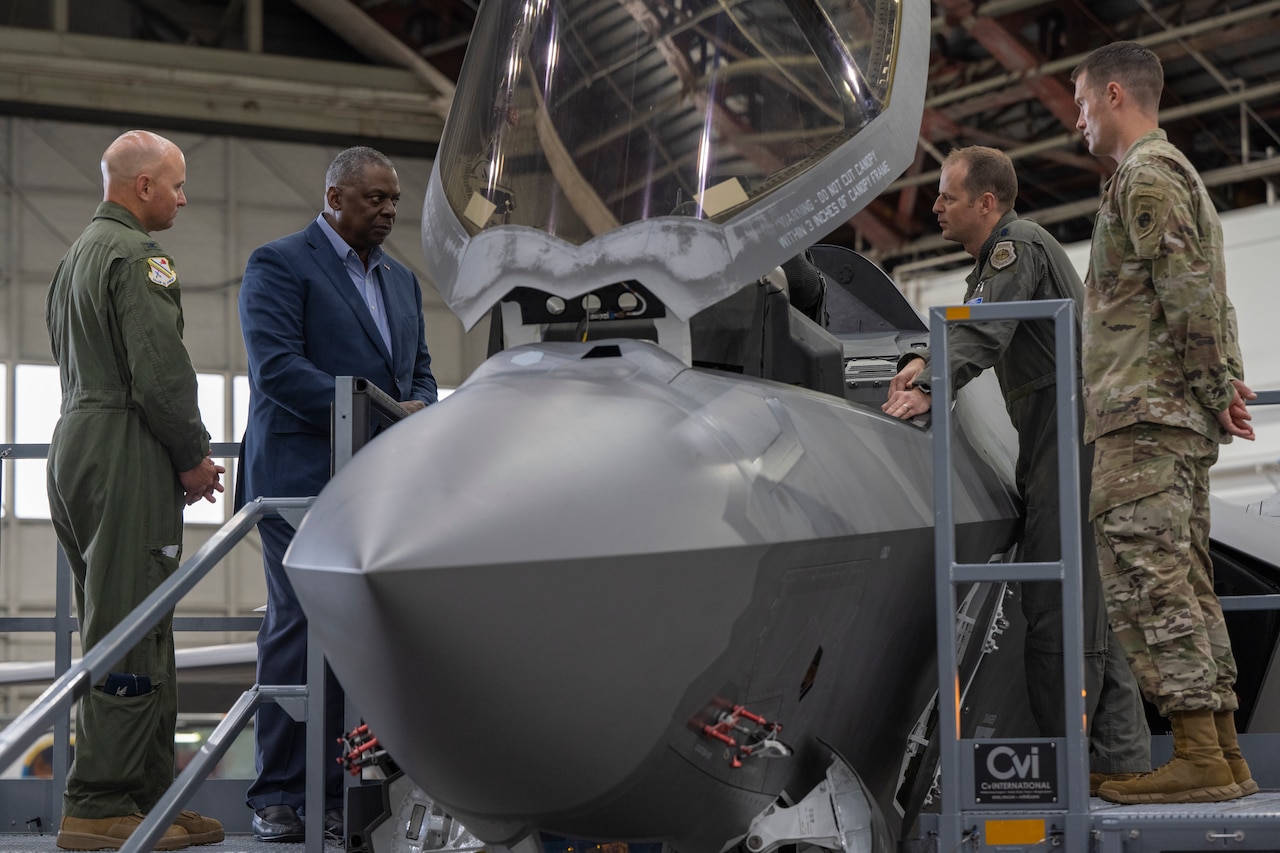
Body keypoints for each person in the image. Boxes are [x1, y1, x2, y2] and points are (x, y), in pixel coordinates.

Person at [882, 146, 1150, 791]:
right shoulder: (1001, 257)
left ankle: (1077, 777)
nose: (936, 206)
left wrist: (931, 382)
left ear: (988, 202)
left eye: (947, 195)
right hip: (1061, 432)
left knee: (1059, 604)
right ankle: (1120, 771)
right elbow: (977, 315)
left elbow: (986, 328)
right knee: (1094, 615)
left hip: (1070, 432)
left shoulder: (1018, 243)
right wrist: (924, 353)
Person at [1072, 41, 1257, 804]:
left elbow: (1184, 289)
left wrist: (1216, 383)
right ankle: (1219, 751)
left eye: (1082, 103)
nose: (1077, 121)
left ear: (1116, 94)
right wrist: (1221, 383)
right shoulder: (1172, 177)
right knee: (1183, 578)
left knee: (1148, 581)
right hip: (1169, 414)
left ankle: (1198, 756)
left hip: (1144, 415)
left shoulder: (1145, 177)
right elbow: (1211, 293)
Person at [238, 146, 438, 841]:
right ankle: (277, 793)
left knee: (362, 631)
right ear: (333, 197)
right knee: (301, 621)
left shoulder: (403, 282)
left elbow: (421, 375)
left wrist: (412, 407)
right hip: (297, 480)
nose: (387, 210)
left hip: (375, 483)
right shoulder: (280, 264)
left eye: (394, 200)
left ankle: (339, 789)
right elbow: (277, 371)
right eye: (373, 198)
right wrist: (388, 408)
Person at [46, 130, 226, 851]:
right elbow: (159, 371)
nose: (184, 198)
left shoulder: (75, 257)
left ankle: (150, 799)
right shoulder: (137, 256)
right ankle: (98, 804)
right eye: (176, 185)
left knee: (125, 617)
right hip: (124, 444)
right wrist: (193, 454)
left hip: (76, 441)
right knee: (130, 627)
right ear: (143, 186)